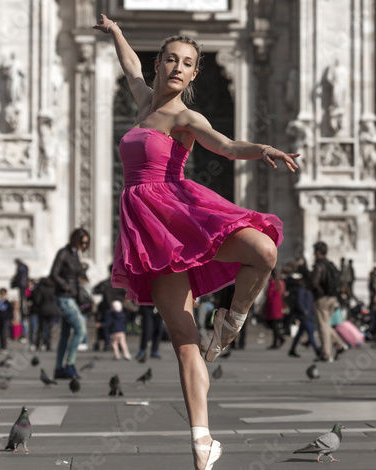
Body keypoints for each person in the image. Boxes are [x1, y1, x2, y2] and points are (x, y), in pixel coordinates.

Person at [93, 13, 299, 470]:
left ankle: (233, 318)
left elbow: (223, 146)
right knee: (184, 339)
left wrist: (261, 148)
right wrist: (118, 31)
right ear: (159, 65)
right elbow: (129, 66)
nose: (177, 68)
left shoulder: (185, 115)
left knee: (265, 250)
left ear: (193, 73)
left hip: (182, 210)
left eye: (187, 63)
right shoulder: (144, 102)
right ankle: (202, 441)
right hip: (149, 228)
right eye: (170, 59)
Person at [50, 227, 90, 379]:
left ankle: (59, 369)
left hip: (71, 298)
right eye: (82, 242)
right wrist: (67, 286)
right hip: (64, 297)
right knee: (81, 329)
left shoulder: (75, 255)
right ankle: (70, 364)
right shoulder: (64, 253)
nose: (84, 246)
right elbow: (54, 274)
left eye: (86, 243)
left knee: (65, 334)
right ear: (75, 240)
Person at [311, 241, 347, 362]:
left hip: (323, 299)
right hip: (333, 298)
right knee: (326, 324)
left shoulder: (319, 265)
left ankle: (326, 354)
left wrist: (319, 293)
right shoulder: (331, 264)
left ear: (318, 252)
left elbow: (314, 283)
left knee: (323, 325)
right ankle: (340, 346)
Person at [288, 276, 320, 359]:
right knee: (310, 332)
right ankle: (317, 351)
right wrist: (304, 311)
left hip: (308, 315)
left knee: (300, 334)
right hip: (305, 315)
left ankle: (292, 349)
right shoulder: (302, 289)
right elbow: (300, 302)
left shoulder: (307, 290)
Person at [31, 277, 60, 352]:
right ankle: (48, 344)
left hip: (43, 310)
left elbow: (37, 300)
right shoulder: (53, 288)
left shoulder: (41, 289)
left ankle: (38, 343)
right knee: (49, 328)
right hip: (52, 310)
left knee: (40, 328)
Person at [263, 269, 286, 350]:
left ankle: (279, 339)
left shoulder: (272, 283)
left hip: (272, 306)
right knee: (275, 325)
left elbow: (268, 295)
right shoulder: (280, 282)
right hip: (279, 305)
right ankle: (277, 341)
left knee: (272, 325)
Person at [0, 288, 14, 354]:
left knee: (4, 333)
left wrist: (9, 317)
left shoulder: (7, 303)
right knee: (0, 333)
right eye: (1, 294)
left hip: (6, 319)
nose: (2, 295)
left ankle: (4, 347)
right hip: (0, 319)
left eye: (3, 294)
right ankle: (1, 347)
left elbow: (11, 311)